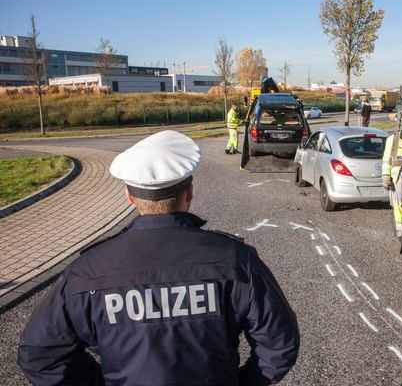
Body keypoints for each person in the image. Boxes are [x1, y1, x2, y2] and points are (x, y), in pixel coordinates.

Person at [18, 130, 300, 386]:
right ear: (189, 193)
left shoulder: (87, 270)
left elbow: (40, 355)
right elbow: (279, 344)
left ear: (129, 197)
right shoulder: (236, 260)